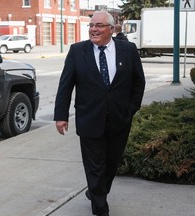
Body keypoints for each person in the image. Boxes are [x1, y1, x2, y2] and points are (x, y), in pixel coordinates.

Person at [54, 10, 145, 216]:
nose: (93, 29)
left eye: (99, 26)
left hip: (119, 120)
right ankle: (100, 208)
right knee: (94, 166)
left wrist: (131, 109)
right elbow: (65, 86)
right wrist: (61, 116)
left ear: (111, 29)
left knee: (111, 164)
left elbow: (138, 82)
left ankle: (96, 191)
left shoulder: (128, 50)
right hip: (89, 119)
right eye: (91, 25)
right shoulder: (77, 51)